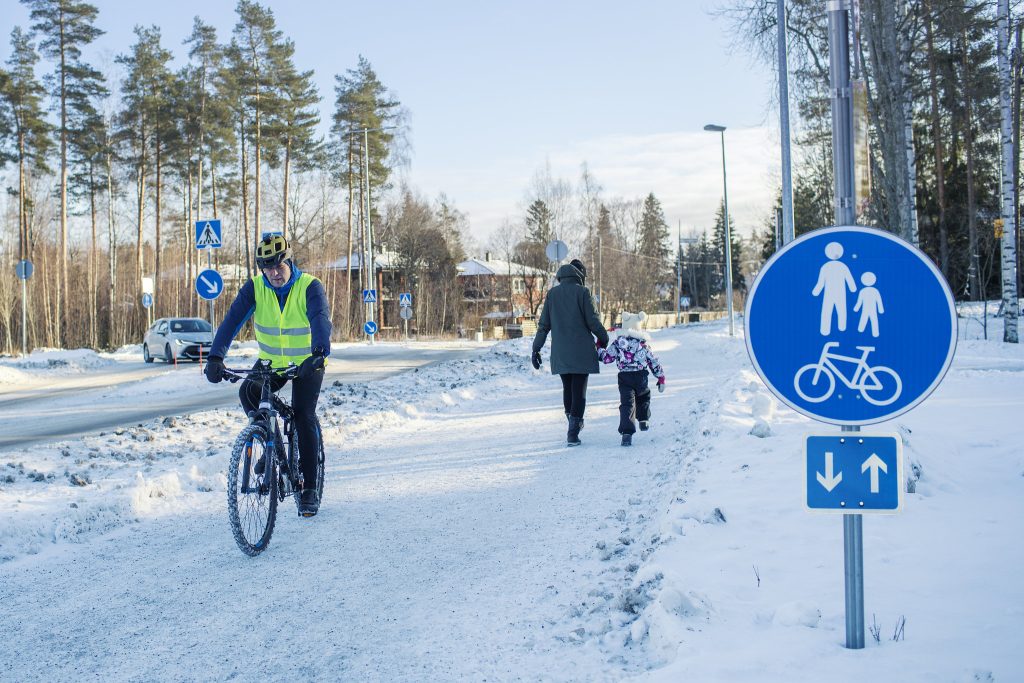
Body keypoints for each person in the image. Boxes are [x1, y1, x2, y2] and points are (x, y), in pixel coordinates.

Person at [204, 234, 333, 517]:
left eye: (278, 265)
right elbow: (232, 321)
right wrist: (215, 356)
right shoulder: (255, 287)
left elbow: (320, 319)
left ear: (289, 261)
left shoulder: (309, 286)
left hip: (306, 364)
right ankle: (267, 441)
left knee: (303, 415)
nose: (274, 273)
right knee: (247, 392)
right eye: (267, 267)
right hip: (271, 362)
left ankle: (309, 488)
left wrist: (319, 352)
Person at [531, 258, 609, 446]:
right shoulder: (583, 292)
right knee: (579, 390)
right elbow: (593, 321)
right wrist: (603, 338)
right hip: (581, 350)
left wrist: (536, 349)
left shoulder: (551, 295)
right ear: (580, 275)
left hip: (561, 352)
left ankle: (572, 425)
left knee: (568, 387)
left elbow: (543, 326)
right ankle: (573, 432)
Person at [598, 311, 666, 447]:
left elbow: (606, 358)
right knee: (643, 397)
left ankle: (627, 434)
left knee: (627, 404)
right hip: (641, 376)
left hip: (625, 377)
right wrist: (661, 378)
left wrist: (599, 348)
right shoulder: (643, 345)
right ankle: (644, 419)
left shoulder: (618, 343)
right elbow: (653, 362)